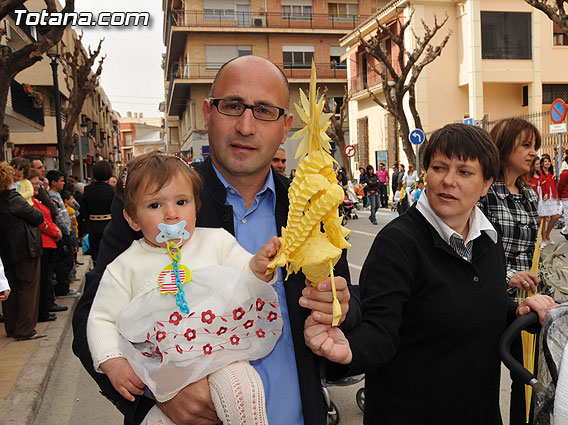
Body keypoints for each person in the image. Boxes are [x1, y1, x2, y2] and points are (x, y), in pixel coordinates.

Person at [72, 55, 360, 425]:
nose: (245, 126)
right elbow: (93, 317)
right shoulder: (158, 203)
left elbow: (347, 316)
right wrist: (154, 397)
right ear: (208, 113)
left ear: (286, 126)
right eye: (232, 106)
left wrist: (341, 309)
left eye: (264, 111)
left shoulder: (312, 206)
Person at [304, 123, 555, 425]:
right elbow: (380, 330)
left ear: (487, 183)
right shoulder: (398, 243)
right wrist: (348, 352)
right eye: (439, 167)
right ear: (426, 173)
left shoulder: (488, 240)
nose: (448, 181)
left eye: (464, 172)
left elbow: (479, 305)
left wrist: (519, 312)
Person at [88, 153, 282, 425]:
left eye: (182, 202)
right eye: (155, 205)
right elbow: (101, 318)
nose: (171, 214)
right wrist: (112, 360)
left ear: (195, 206)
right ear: (133, 219)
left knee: (245, 391)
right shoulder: (124, 266)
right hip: (165, 371)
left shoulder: (215, 241)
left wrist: (258, 267)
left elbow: (244, 277)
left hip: (223, 352)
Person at [480, 118, 552, 425]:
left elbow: (531, 250)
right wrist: (508, 275)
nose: (533, 152)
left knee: (526, 378)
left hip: (525, 304)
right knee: (482, 380)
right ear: (504, 146)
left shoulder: (529, 195)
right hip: (490, 299)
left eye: (535, 146)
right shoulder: (485, 194)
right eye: (526, 145)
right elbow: (477, 250)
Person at [0, 162, 45, 341]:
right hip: (25, 249)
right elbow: (37, 216)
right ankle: (25, 329)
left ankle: (11, 327)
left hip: (5, 251)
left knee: (9, 290)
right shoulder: (12, 198)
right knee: (28, 288)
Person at [28, 170, 63, 322]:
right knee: (43, 280)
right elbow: (40, 220)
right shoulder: (30, 201)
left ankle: (45, 308)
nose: (37, 186)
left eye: (38, 183)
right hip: (43, 242)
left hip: (49, 242)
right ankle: (42, 311)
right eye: (34, 183)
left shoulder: (37, 199)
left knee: (46, 278)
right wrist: (54, 231)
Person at [47, 170, 79, 298]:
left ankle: (65, 288)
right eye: (61, 181)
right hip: (63, 233)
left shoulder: (57, 195)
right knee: (63, 264)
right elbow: (59, 217)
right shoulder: (53, 197)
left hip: (67, 231)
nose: (63, 183)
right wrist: (66, 231)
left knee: (68, 262)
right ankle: (62, 289)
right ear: (53, 182)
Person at [81, 161, 115, 262]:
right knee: (109, 254)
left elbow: (84, 211)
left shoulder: (87, 190)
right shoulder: (112, 190)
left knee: (96, 254)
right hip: (109, 225)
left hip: (93, 226)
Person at [538, 154, 561, 246]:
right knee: (543, 218)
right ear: (542, 163)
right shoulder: (540, 173)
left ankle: (547, 234)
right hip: (544, 198)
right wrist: (544, 194)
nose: (547, 163)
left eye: (548, 161)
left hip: (552, 197)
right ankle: (543, 238)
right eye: (545, 161)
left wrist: (557, 196)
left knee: (555, 216)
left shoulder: (551, 173)